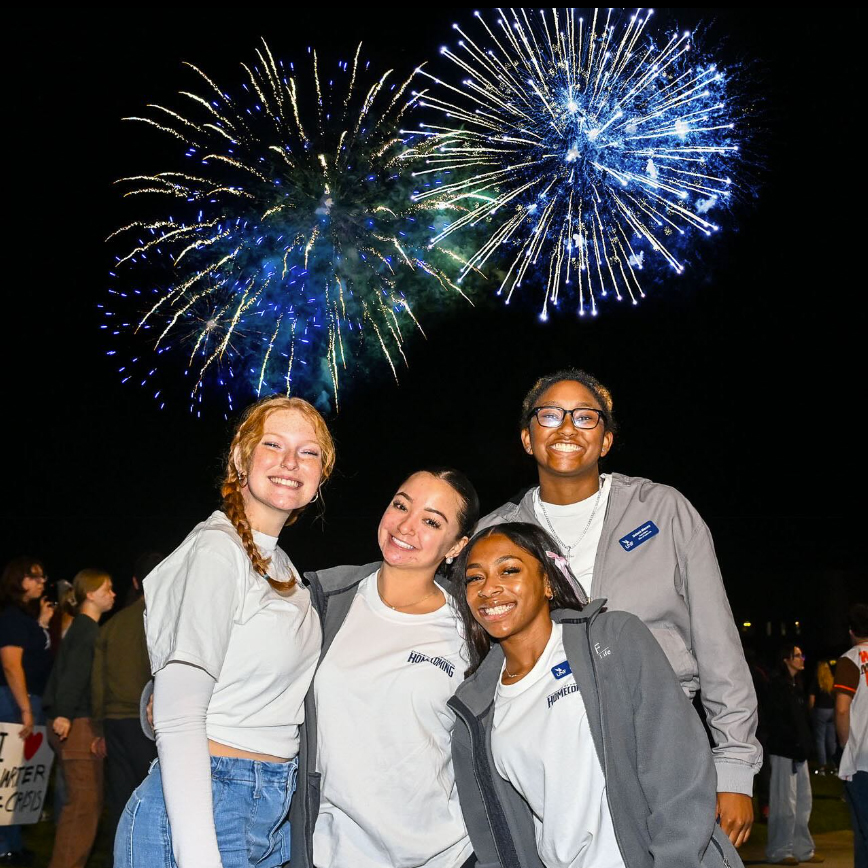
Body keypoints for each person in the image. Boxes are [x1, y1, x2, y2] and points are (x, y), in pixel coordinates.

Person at [477, 368, 760, 846]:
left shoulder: (663, 511)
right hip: (545, 760)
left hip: (662, 747)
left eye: (586, 418)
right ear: (528, 438)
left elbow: (718, 644)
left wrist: (734, 766)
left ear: (606, 440)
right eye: (549, 415)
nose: (567, 428)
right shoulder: (498, 533)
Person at [115, 395, 334, 868]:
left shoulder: (283, 567)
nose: (290, 462)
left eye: (309, 451)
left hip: (270, 806)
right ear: (240, 457)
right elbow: (175, 716)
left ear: (320, 478)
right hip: (205, 805)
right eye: (273, 445)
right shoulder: (218, 549)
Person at [449, 522, 744, 868]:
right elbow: (493, 837)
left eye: (509, 570)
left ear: (546, 582)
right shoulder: (474, 709)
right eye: (474, 578)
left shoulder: (612, 641)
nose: (489, 589)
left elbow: (678, 771)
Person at [293, 467, 479, 868]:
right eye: (401, 505)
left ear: (456, 546)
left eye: (431, 521)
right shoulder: (326, 602)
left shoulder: (474, 627)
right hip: (333, 851)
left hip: (444, 855)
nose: (406, 527)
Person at [91, 551, 163, 867]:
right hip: (145, 723)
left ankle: (118, 860)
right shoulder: (164, 617)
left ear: (135, 582)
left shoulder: (112, 624)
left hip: (113, 722)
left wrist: (98, 727)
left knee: (120, 800)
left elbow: (97, 681)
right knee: (154, 799)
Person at [43, 568, 117, 868]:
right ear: (90, 594)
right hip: (76, 724)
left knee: (85, 806)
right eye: (107, 589)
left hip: (76, 721)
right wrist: (64, 714)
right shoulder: (87, 630)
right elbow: (73, 675)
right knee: (83, 807)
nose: (113, 593)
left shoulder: (83, 628)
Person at [0, 557, 54, 866]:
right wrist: (25, 709)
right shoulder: (10, 618)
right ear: (19, 581)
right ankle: (4, 846)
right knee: (8, 775)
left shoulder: (25, 618)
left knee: (22, 777)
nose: (41, 581)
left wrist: (44, 622)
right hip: (14, 701)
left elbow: (35, 654)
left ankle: (15, 843)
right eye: (34, 577)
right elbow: (11, 665)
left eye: (42, 576)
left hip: (27, 701)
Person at [764, 644, 822, 865]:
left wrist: (806, 746)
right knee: (784, 803)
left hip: (799, 753)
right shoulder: (777, 687)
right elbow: (778, 722)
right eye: (797, 656)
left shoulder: (795, 686)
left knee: (803, 802)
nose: (802, 659)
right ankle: (780, 850)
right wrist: (793, 744)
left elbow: (802, 721)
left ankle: (802, 849)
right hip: (784, 753)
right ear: (786, 659)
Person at [834, 603, 868, 868]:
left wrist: (846, 745)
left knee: (863, 830)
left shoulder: (850, 660)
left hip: (862, 758)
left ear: (851, 630)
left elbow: (843, 710)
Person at [808, 660, 837, 774]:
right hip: (832, 710)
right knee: (831, 740)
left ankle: (822, 767)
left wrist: (810, 712)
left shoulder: (817, 681)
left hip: (820, 711)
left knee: (820, 739)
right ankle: (835, 766)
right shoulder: (832, 681)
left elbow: (811, 699)